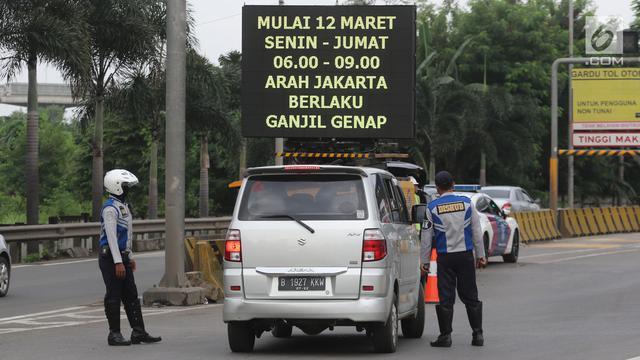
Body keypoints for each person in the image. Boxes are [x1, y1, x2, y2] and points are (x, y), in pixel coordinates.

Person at [420, 171, 487, 347]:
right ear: (453, 184)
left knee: (446, 297)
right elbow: (476, 231)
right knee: (471, 296)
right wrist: (481, 256)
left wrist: (424, 261)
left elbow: (426, 237)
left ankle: (446, 336)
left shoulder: (432, 207)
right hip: (465, 256)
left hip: (445, 259)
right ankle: (478, 335)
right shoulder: (467, 203)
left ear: (437, 188)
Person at [99, 169, 161, 346]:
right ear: (117, 186)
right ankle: (114, 334)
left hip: (122, 257)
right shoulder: (110, 208)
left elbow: (128, 235)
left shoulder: (123, 206)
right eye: (125, 186)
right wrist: (118, 262)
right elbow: (111, 237)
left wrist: (129, 257)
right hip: (110, 258)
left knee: (131, 295)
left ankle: (139, 332)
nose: (128, 189)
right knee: (114, 295)